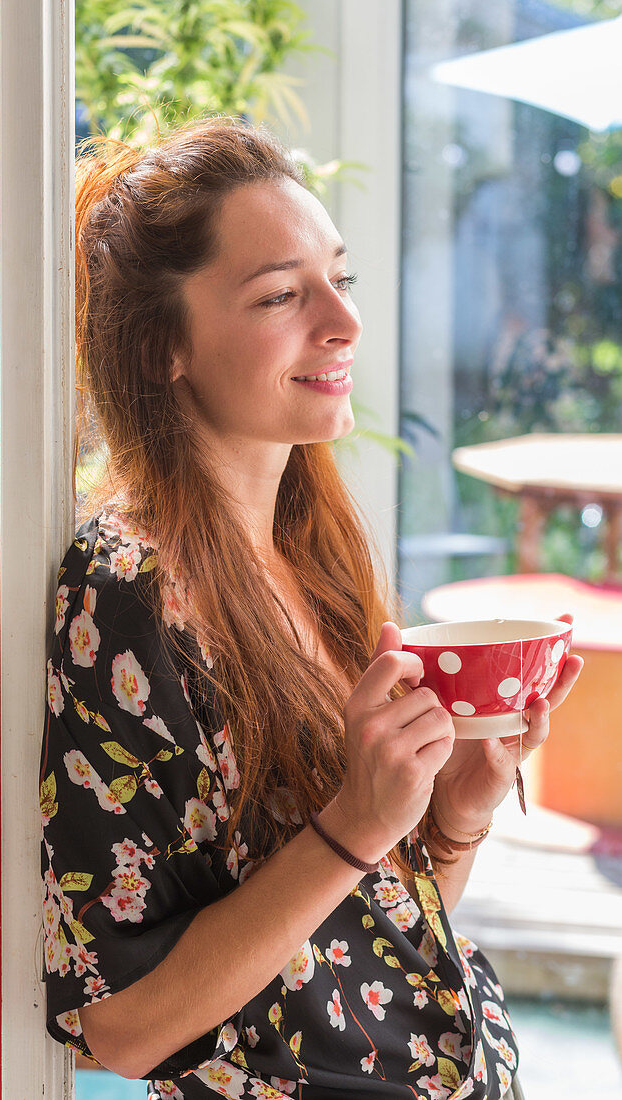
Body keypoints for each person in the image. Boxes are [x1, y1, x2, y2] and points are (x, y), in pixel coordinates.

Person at [39, 115, 582, 1100]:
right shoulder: (124, 595)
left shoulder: (317, 555)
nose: (342, 320)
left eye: (341, 277)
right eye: (283, 294)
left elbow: (361, 952)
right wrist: (350, 829)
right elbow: (120, 1024)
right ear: (165, 346)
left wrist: (449, 817)